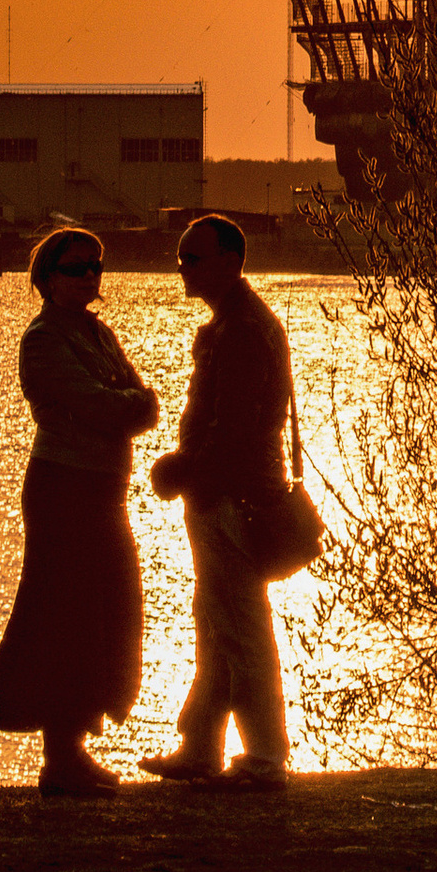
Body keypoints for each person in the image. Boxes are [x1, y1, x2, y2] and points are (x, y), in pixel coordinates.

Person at [0, 225, 159, 796]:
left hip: (105, 489)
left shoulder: (97, 333)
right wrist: (130, 404)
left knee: (108, 610)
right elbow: (106, 404)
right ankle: (62, 755)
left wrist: (131, 404)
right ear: (48, 277)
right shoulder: (44, 338)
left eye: (95, 267)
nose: (89, 277)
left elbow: (140, 403)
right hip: (63, 488)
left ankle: (75, 743)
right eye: (76, 268)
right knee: (63, 615)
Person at [139, 213, 295, 788]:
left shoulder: (243, 331)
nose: (184, 268)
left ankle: (264, 755)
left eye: (193, 258)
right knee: (215, 622)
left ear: (229, 261)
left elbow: (234, 428)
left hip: (233, 497)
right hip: (226, 494)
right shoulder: (239, 324)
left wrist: (181, 468)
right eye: (181, 258)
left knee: (241, 625)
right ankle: (202, 749)